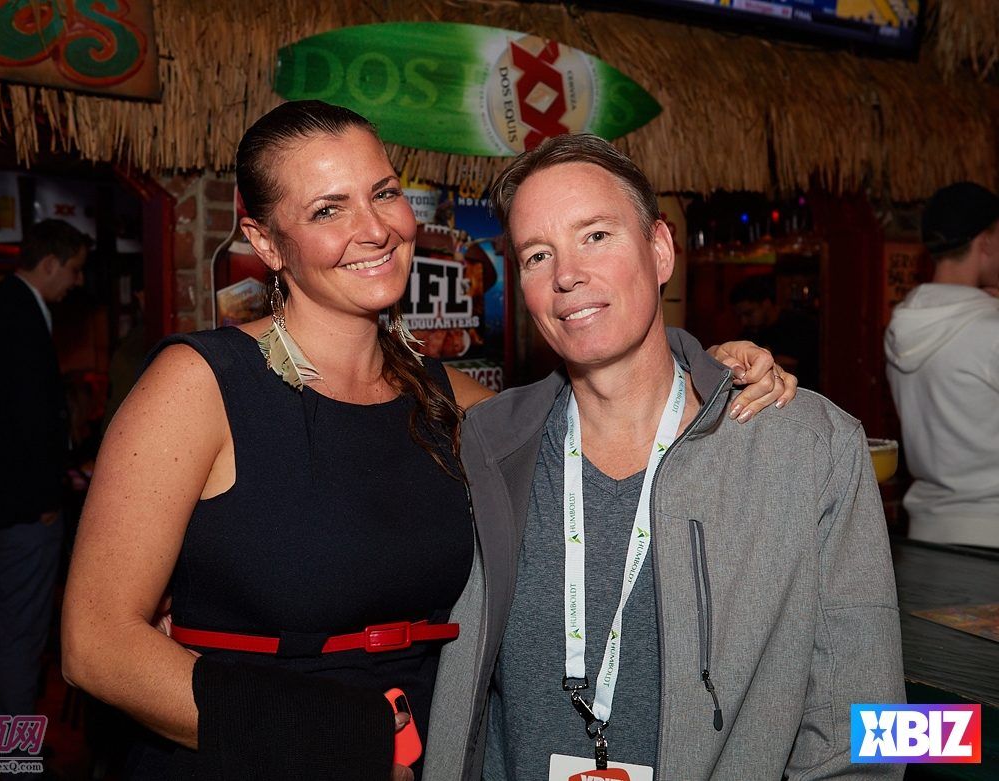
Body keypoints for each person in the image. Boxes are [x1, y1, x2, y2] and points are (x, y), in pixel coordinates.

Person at [61, 101, 792, 781]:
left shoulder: (452, 401)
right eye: (327, 209)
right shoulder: (201, 386)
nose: (375, 228)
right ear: (266, 242)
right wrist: (345, 740)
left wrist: (710, 369)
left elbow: (609, 414)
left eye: (383, 193)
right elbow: (94, 644)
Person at [420, 135, 903, 780]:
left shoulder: (808, 446)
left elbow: (875, 722)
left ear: (660, 250)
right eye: (538, 254)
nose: (567, 275)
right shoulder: (487, 447)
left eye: (596, 235)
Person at [0, 219, 88, 734]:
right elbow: (29, 421)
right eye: (74, 269)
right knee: (20, 634)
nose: (76, 282)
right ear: (49, 263)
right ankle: (11, 758)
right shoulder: (22, 316)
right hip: (24, 506)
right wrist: (47, 496)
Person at [884, 181, 999, 548]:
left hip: (926, 532)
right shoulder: (990, 328)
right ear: (986, 241)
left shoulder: (902, 325)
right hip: (991, 535)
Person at [730, 272, 820, 390]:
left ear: (766, 303)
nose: (744, 321)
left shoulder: (798, 325)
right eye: (739, 316)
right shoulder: (748, 333)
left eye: (749, 313)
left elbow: (790, 367)